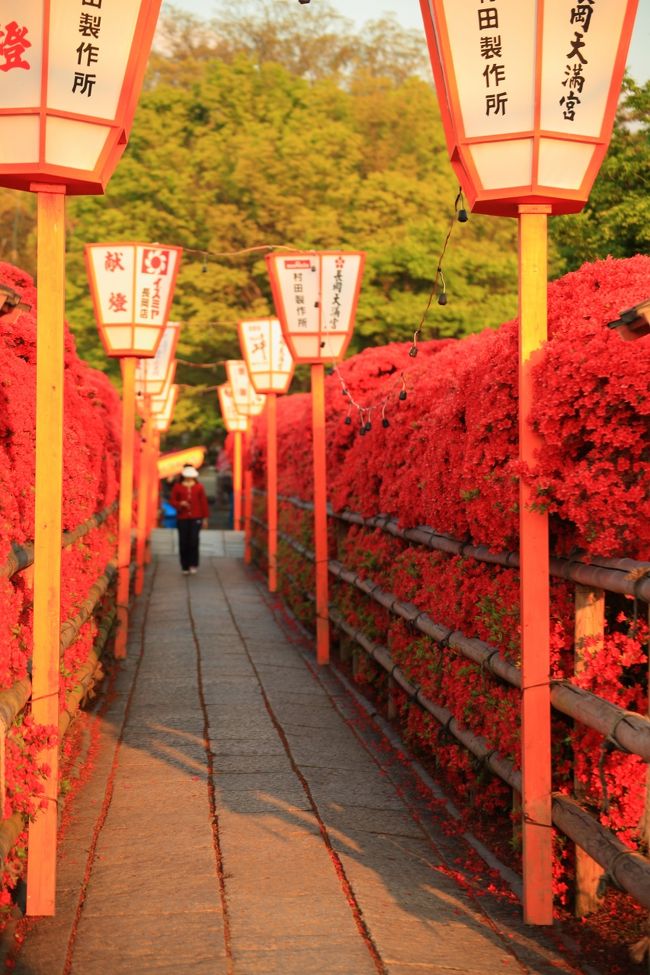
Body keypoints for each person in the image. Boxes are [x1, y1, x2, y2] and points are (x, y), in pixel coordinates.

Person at [169, 465, 209, 575]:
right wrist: (180, 504)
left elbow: (203, 503)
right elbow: (172, 501)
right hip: (183, 517)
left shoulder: (199, 487)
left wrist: (205, 518)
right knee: (183, 541)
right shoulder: (177, 487)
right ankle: (184, 565)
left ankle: (193, 564)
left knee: (194, 540)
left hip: (196, 517)